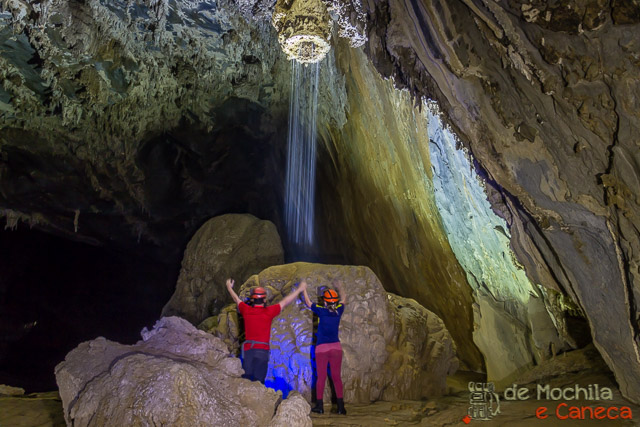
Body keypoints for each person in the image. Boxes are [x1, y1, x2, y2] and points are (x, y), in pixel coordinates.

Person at [225, 278, 306, 384]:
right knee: (259, 382)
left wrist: (228, 287)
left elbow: (236, 299)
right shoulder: (268, 312)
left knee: (246, 381)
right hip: (262, 351)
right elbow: (285, 301)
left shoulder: (246, 310)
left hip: (248, 351)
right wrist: (299, 289)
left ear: (253, 299)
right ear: (264, 300)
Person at [302, 280, 347, 415]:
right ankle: (341, 407)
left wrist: (303, 289)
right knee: (336, 378)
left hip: (322, 349)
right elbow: (344, 299)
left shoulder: (321, 311)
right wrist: (340, 287)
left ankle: (320, 406)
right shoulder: (339, 310)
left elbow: (308, 303)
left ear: (325, 302)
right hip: (336, 348)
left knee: (321, 378)